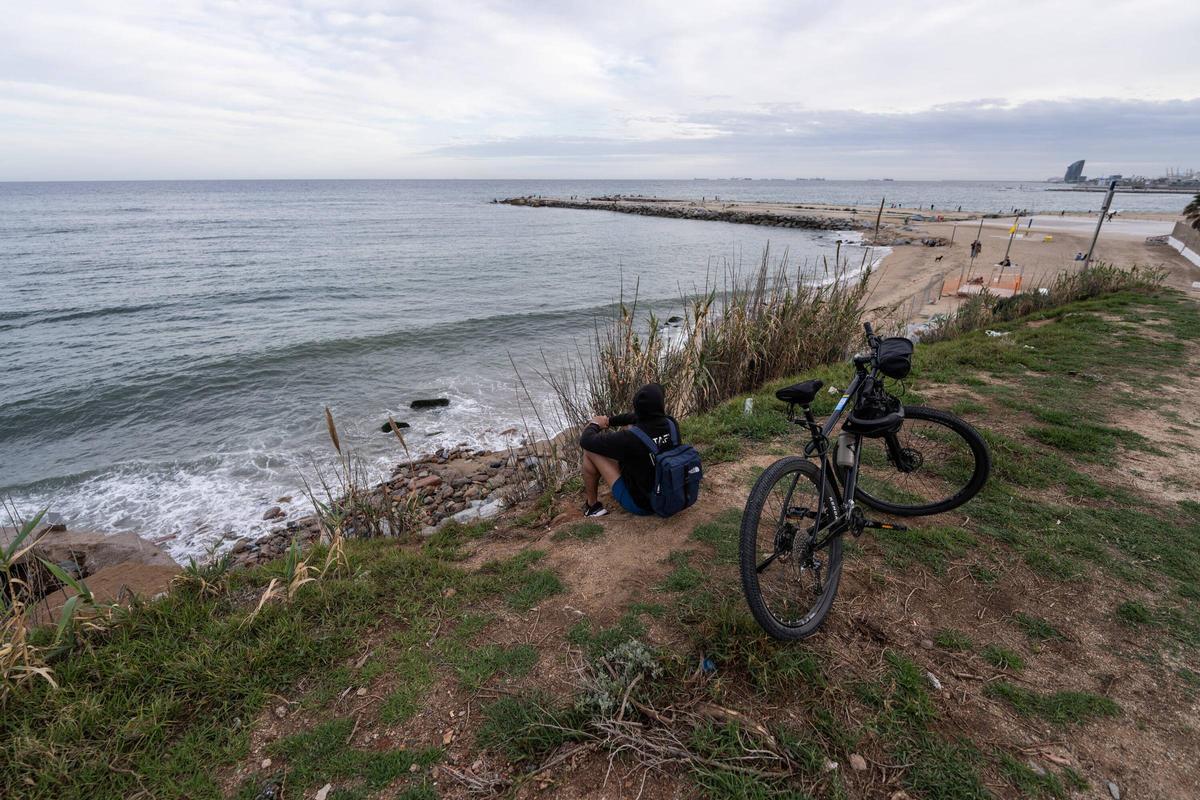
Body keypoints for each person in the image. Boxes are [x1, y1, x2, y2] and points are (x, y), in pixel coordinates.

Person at [579, 383, 677, 517]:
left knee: (590, 451)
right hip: (671, 493)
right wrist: (609, 421)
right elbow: (634, 418)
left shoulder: (631, 439)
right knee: (630, 429)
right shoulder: (671, 424)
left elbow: (586, 441)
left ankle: (592, 506)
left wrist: (594, 424)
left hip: (644, 505)